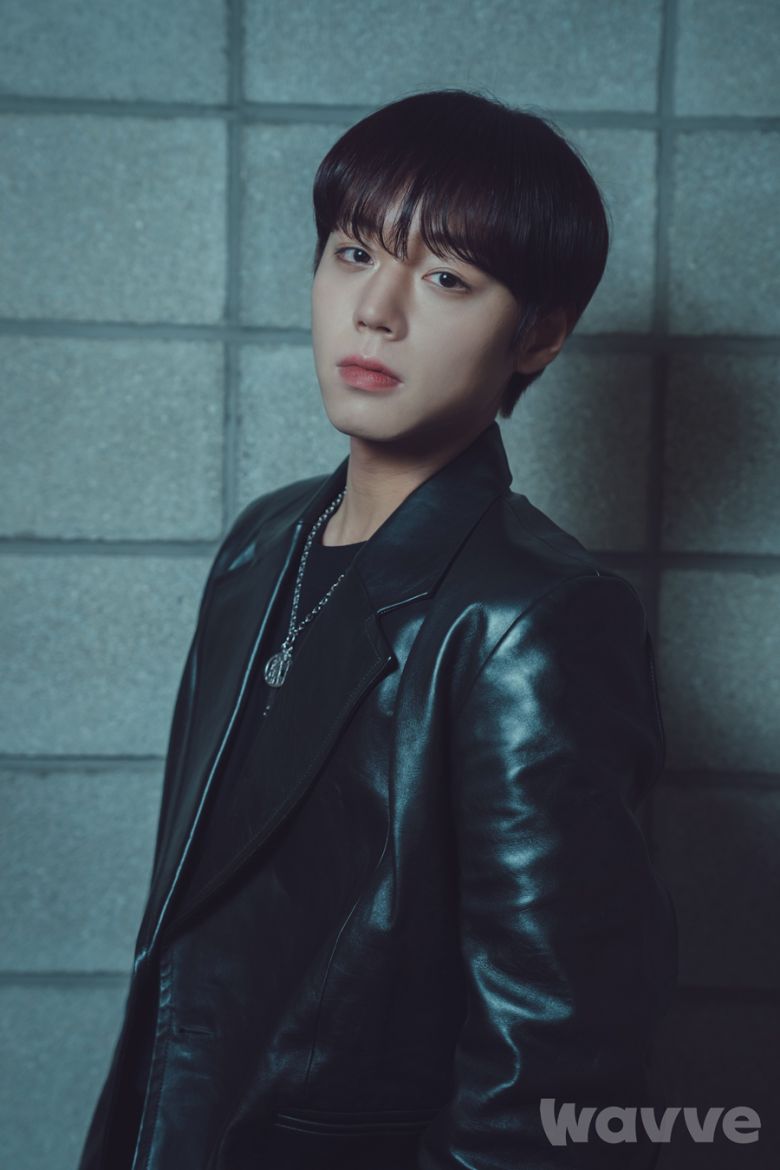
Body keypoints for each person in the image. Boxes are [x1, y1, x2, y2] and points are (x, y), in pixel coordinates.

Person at [78, 88, 677, 1170]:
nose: (377, 311)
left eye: (448, 278)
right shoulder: (265, 543)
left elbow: (555, 1069)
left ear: (539, 334)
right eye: (354, 254)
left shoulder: (536, 621)